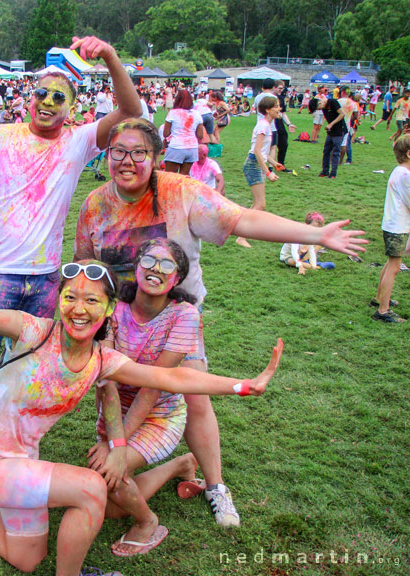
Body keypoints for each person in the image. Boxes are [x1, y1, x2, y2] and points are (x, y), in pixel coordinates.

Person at [0, 222, 284, 576]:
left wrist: (243, 385)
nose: (79, 308)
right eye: (70, 297)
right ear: (58, 301)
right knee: (91, 488)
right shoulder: (34, 332)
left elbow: (171, 376)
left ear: (109, 310)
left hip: (21, 461)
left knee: (26, 558)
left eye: (92, 300)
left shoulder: (103, 360)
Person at [75, 118, 367, 526]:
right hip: (121, 321)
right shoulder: (94, 205)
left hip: (176, 322)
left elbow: (243, 219)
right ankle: (128, 446)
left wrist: (314, 236)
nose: (127, 161)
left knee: (194, 398)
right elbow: (88, 266)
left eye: (138, 152)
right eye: (118, 152)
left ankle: (215, 485)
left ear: (156, 157)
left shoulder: (180, 191)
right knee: (114, 387)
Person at [0, 35, 142, 483]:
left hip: (47, 281)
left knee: (22, 371)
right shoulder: (1, 137)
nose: (48, 104)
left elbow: (131, 112)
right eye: (41, 95)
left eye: (59, 98)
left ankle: (4, 445)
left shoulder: (78, 141)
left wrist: (108, 56)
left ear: (72, 106)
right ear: (28, 98)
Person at [89, 239, 202, 557]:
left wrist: (117, 448)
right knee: (110, 502)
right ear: (136, 266)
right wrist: (114, 439)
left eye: (168, 265)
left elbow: (153, 388)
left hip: (160, 415)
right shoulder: (113, 307)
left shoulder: (185, 316)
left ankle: (148, 523)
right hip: (114, 409)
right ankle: (180, 465)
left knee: (109, 475)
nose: (156, 269)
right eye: (149, 260)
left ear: (177, 279)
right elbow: (106, 376)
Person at [372, 135, 410, 322]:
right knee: (394, 267)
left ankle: (379, 298)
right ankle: (383, 311)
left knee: (390, 264)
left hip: (392, 224)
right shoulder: (406, 175)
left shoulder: (399, 171)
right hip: (397, 226)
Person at [236, 96, 282, 248]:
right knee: (260, 204)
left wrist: (274, 163)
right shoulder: (263, 125)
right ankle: (241, 236)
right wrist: (268, 173)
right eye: (276, 106)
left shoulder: (266, 125)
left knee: (258, 203)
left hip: (256, 163)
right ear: (268, 109)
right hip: (253, 164)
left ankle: (243, 231)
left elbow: (262, 151)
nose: (279, 109)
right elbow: (256, 151)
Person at [162, 89, 204, 175]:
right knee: (184, 178)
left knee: (169, 177)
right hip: (192, 148)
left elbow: (165, 133)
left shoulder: (173, 113)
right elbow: (200, 135)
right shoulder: (197, 114)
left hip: (176, 147)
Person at [308, 96, 346, 179]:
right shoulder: (324, 108)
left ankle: (333, 173)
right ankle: (325, 171)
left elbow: (342, 114)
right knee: (326, 151)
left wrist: (331, 124)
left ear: (320, 103)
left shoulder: (333, 102)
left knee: (335, 152)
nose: (319, 110)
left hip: (339, 131)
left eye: (318, 108)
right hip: (331, 132)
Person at [273, 81, 296, 170]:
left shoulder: (281, 98)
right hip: (271, 123)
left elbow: (282, 113)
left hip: (279, 123)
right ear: (274, 87)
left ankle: (280, 164)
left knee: (283, 144)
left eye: (282, 88)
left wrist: (289, 124)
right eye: (279, 88)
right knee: (270, 146)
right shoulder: (270, 98)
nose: (281, 90)